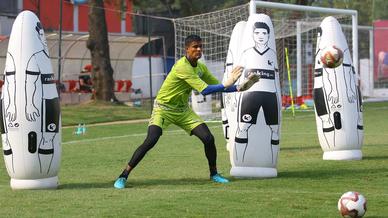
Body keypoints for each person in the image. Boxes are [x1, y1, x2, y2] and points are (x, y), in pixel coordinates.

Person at [113, 34, 259, 189]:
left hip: (183, 111)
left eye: (200, 46)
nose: (198, 49)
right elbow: (205, 90)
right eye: (195, 46)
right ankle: (123, 175)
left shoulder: (201, 68)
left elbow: (217, 86)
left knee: (208, 138)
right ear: (187, 49)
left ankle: (214, 174)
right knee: (151, 139)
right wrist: (228, 83)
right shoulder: (182, 66)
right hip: (163, 109)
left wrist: (238, 87)